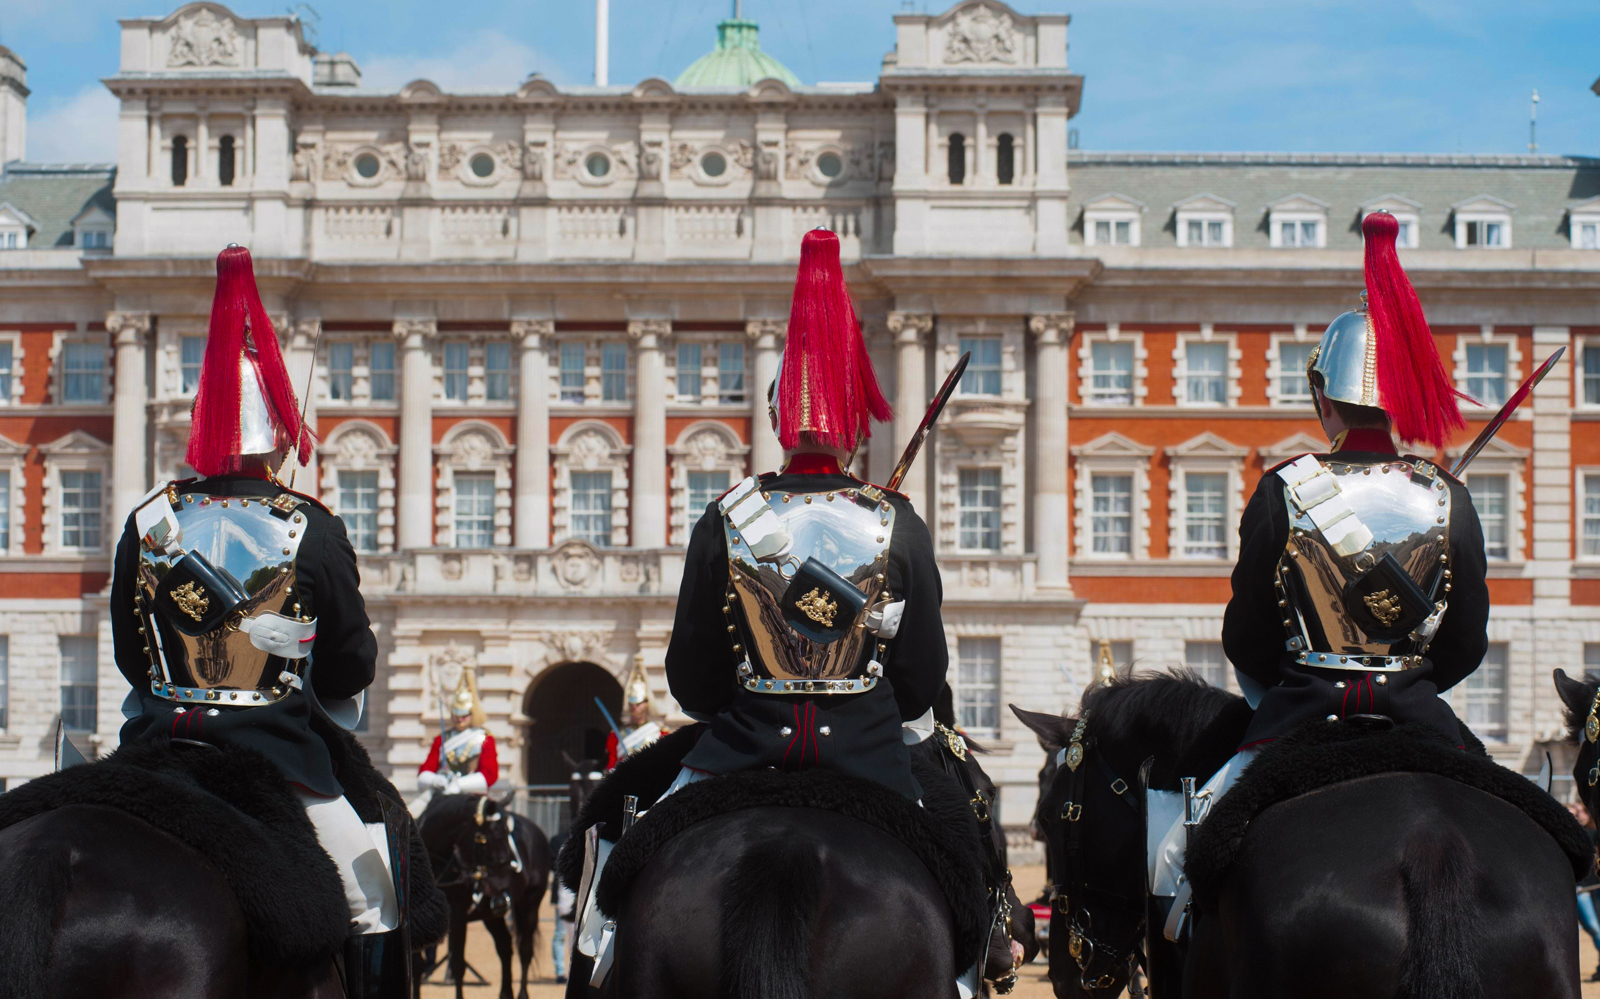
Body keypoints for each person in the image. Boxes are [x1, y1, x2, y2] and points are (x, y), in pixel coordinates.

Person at [1150, 211, 1492, 942]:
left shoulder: (1283, 488)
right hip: (1422, 716)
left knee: (1175, 860)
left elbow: (1244, 634)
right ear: (1399, 393)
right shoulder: (1446, 495)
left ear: (1322, 394)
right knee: (1522, 813)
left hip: (1297, 714)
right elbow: (1465, 642)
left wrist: (1296, 675)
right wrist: (1409, 672)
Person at [110, 245, 407, 993]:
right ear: (279, 434)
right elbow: (350, 665)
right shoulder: (307, 523)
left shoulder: (148, 520)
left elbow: (129, 652)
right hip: (280, 760)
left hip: (157, 747)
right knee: (376, 897)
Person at [661, 227, 947, 802]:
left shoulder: (726, 515)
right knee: (968, 866)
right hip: (872, 759)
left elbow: (691, 675)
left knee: (621, 854)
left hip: (741, 752)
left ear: (774, 419)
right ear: (859, 424)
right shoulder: (896, 520)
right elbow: (920, 679)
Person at [416, 673, 499, 797]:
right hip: (443, 791)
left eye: (464, 716)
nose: (460, 720)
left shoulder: (484, 739)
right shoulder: (441, 739)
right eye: (456, 716)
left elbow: (490, 774)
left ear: (472, 714)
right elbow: (426, 769)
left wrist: (459, 784)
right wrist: (434, 780)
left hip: (472, 792)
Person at [604, 658, 663, 770]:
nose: (634, 707)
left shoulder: (659, 733)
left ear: (646, 703)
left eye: (638, 704)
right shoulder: (616, 736)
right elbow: (611, 766)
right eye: (631, 704)